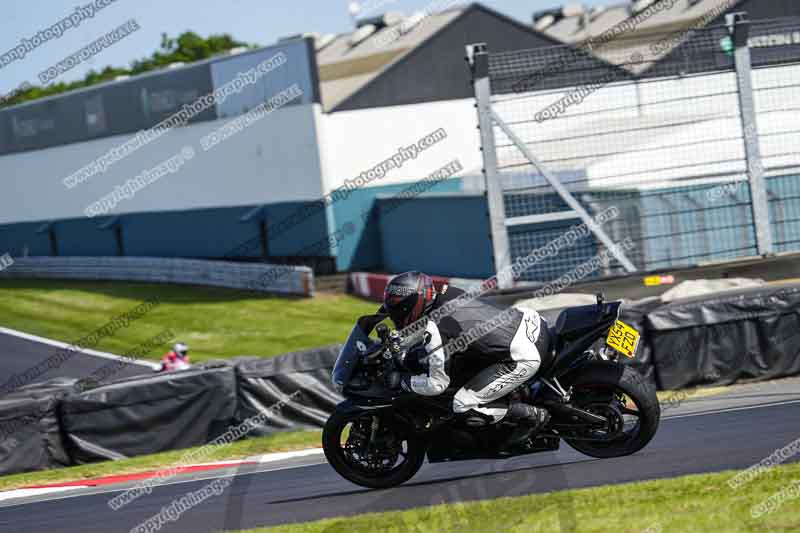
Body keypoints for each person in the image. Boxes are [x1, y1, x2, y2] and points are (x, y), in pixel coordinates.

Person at [381, 271, 551, 434]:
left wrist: (403, 381)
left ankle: (532, 415)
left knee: (462, 405)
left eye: (398, 309)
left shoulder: (436, 329)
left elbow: (437, 385)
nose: (395, 314)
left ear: (411, 305)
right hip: (532, 322)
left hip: (523, 356)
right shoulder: (448, 292)